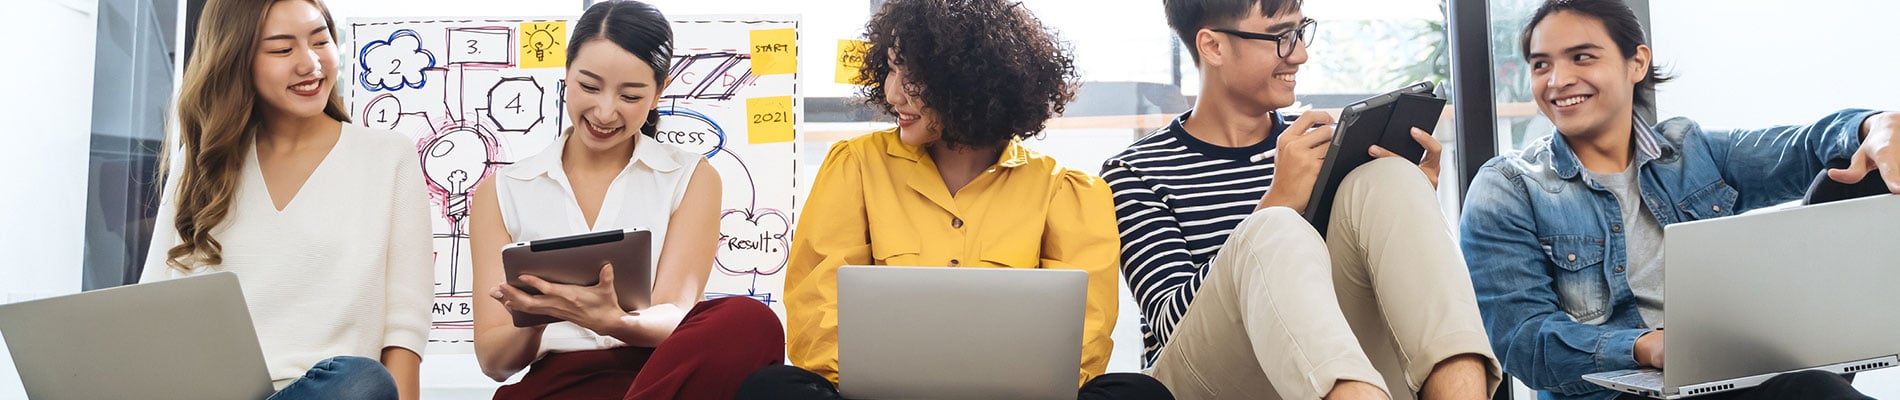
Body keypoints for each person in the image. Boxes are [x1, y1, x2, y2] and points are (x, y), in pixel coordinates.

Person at [1459, 1, 1898, 399]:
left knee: (1861, 171)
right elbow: (1524, 342)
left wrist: (1874, 127)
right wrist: (1650, 347)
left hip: (1730, 376)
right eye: (1541, 65)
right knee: (1815, 392)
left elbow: (1805, 146)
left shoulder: (1689, 150)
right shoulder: (1509, 187)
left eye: (1582, 57)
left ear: (1637, 62)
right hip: (1619, 395)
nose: (1558, 81)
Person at [734, 0, 1171, 398]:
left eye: (914, 77)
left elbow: (1083, 341)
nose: (892, 93)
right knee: (774, 388)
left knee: (1136, 394)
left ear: (970, 83)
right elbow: (817, 309)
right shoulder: (855, 166)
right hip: (876, 395)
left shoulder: (1066, 191)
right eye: (889, 69)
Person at [1099, 0, 1503, 398]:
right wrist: (1277, 202)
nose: (1301, 54)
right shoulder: (1134, 171)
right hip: (1204, 383)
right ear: (1213, 46)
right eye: (1281, 37)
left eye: (1300, 31)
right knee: (1276, 228)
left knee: (1391, 177)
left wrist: (1411, 206)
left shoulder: (1324, 143)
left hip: (1334, 370)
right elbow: (1172, 327)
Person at [467, 1, 785, 399]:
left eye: (630, 96)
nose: (605, 111)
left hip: (659, 374)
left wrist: (613, 321)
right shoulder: (503, 189)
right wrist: (538, 315)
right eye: (588, 86)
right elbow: (493, 362)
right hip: (558, 384)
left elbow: (674, 314)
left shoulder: (690, 176)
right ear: (566, 76)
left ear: (657, 94)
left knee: (751, 320)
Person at [141, 0, 431, 398]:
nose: (310, 63)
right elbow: (151, 304)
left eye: (320, 40)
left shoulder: (388, 157)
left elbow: (403, 328)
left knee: (362, 380)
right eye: (282, 49)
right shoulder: (200, 162)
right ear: (236, 60)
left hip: (330, 391)